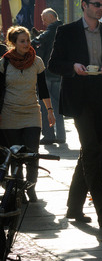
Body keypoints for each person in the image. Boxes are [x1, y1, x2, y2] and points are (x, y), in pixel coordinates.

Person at [48, 0, 102, 227]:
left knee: (89, 152)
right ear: (84, 5)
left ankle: (73, 207)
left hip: (100, 96)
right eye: (97, 4)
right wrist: (73, 67)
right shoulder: (66, 32)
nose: (100, 9)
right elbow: (54, 65)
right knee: (91, 150)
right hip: (78, 99)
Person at [0, 26, 55, 202]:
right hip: (10, 113)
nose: (26, 44)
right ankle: (19, 189)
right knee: (16, 155)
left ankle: (31, 187)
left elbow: (43, 88)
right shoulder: (4, 62)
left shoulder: (37, 61)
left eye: (28, 40)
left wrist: (50, 111)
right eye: (22, 41)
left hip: (32, 112)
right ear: (13, 43)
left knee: (32, 153)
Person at [31, 8, 65, 145]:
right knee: (57, 105)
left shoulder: (51, 30)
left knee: (45, 105)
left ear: (51, 17)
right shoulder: (65, 30)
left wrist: (36, 39)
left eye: (44, 19)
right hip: (60, 73)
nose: (43, 22)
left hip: (47, 73)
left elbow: (35, 43)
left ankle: (49, 135)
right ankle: (61, 135)